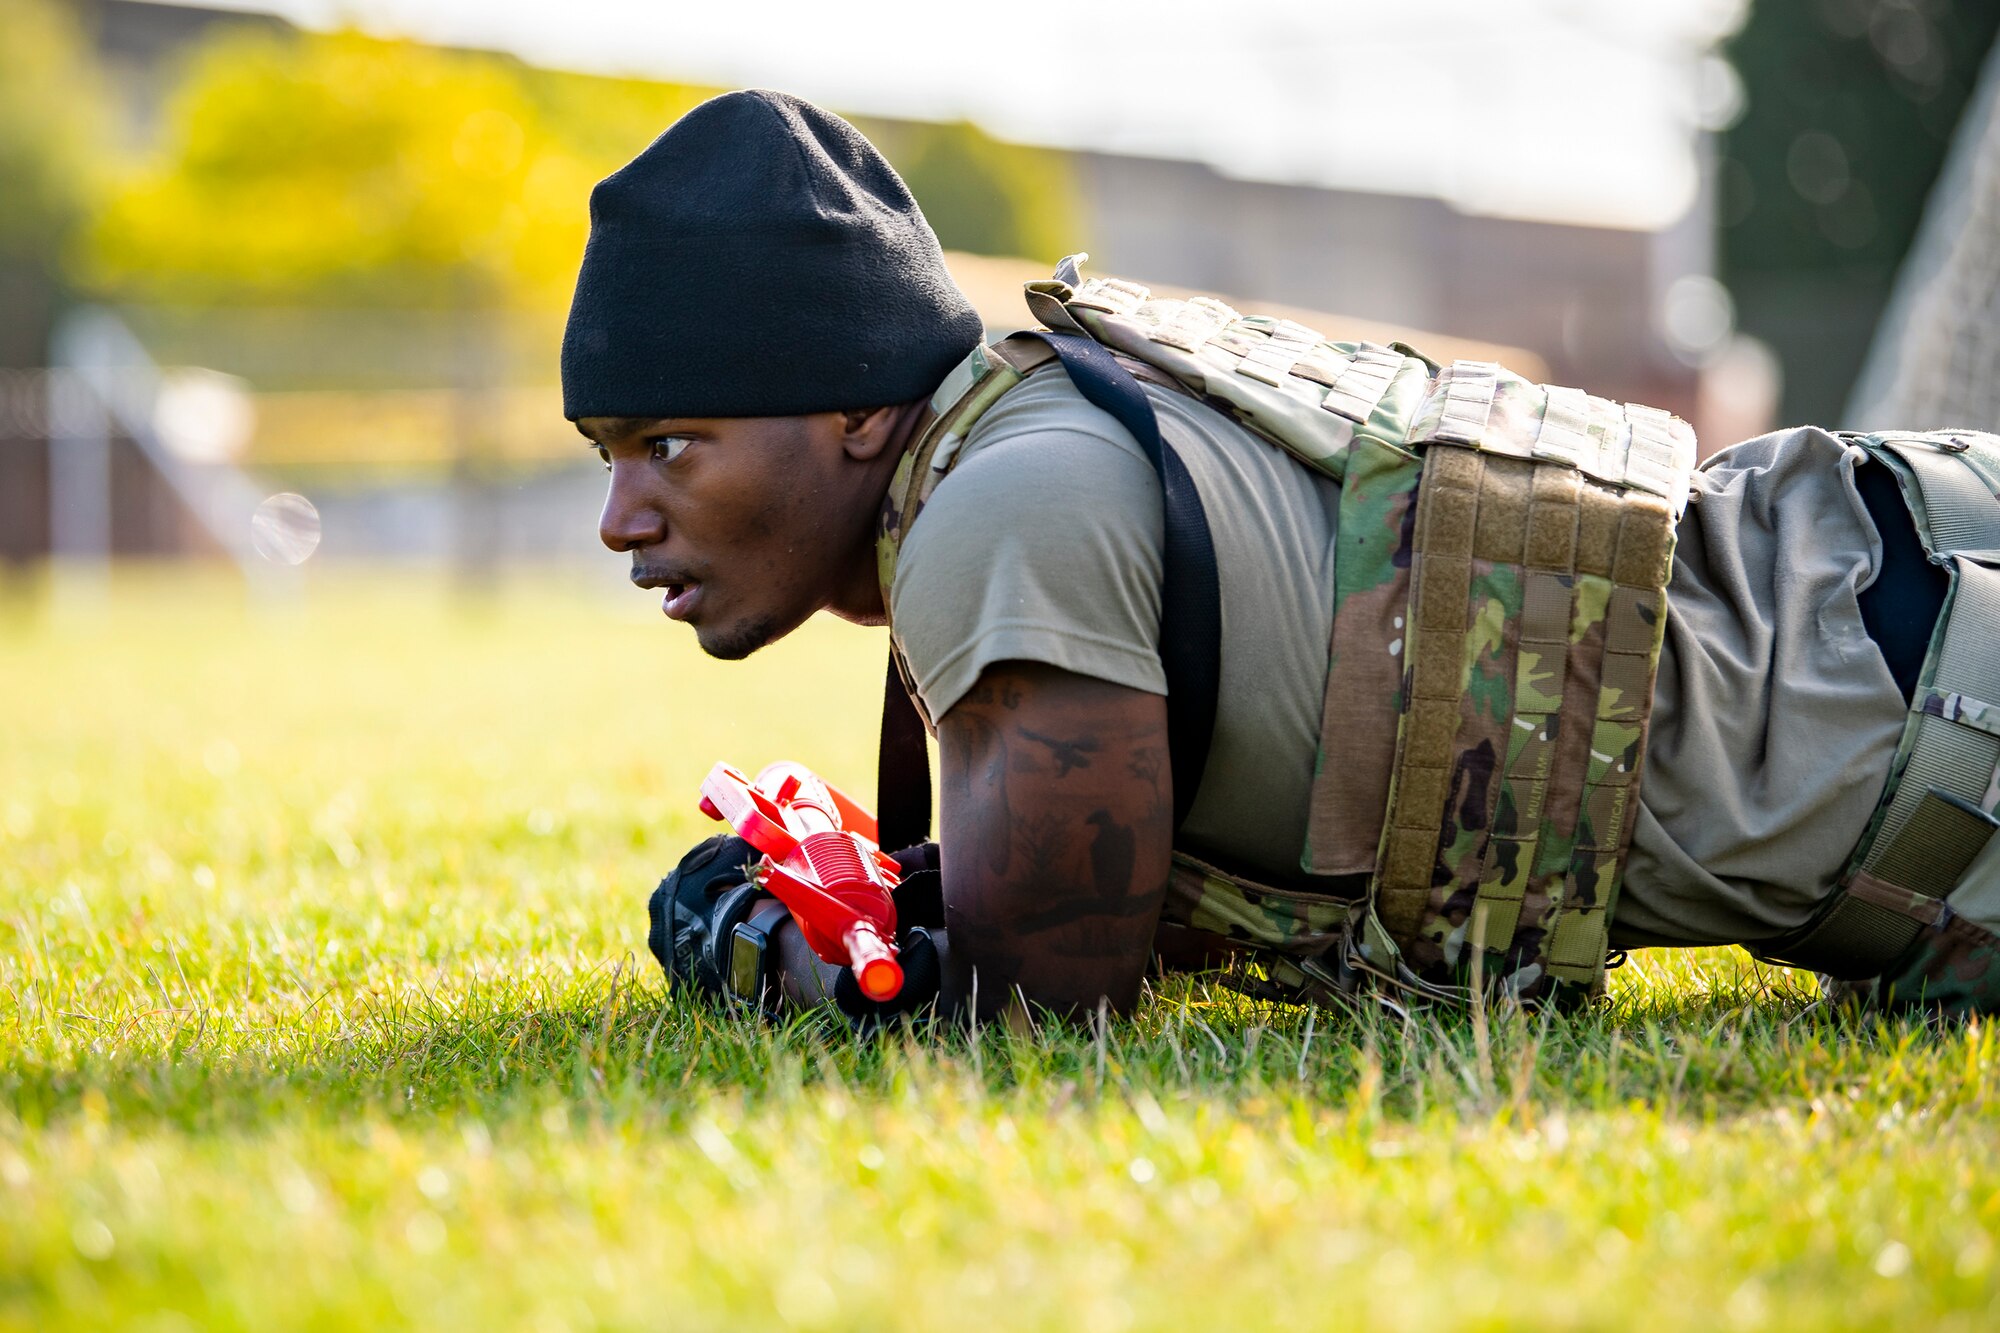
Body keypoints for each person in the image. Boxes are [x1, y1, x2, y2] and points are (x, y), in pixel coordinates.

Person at [561, 90, 2000, 1027]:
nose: (623, 514)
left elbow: (1030, 1010)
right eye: (607, 456)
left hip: (1930, 709)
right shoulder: (1043, 415)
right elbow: (1135, 875)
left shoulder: (1000, 511)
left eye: (670, 443)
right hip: (1885, 584)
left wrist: (753, 947)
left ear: (856, 407)